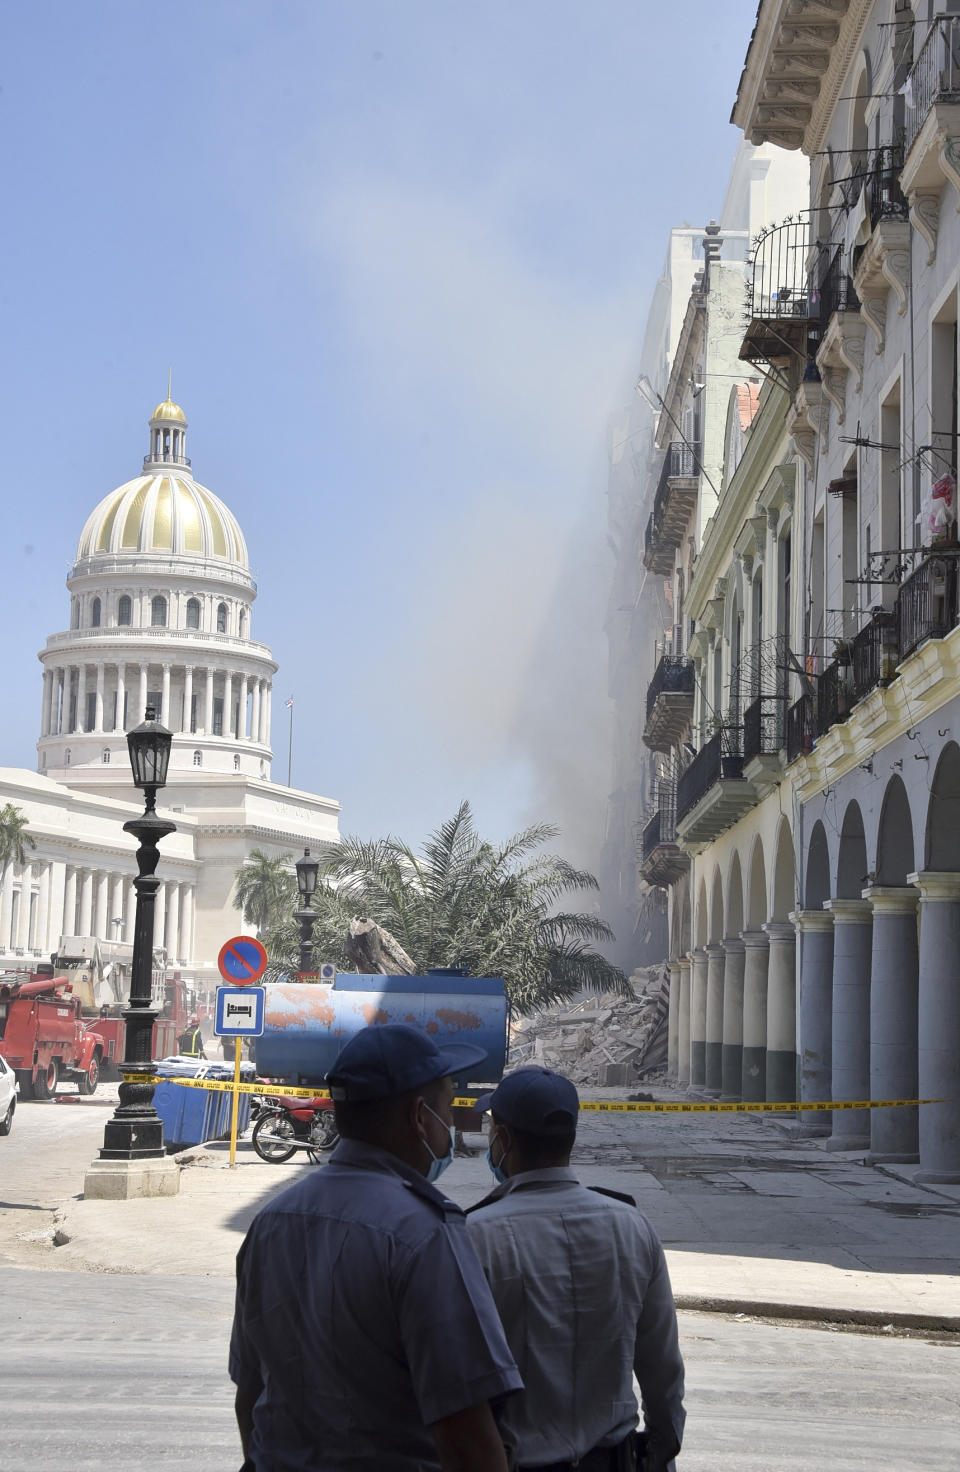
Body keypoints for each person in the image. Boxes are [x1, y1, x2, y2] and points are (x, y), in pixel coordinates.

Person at [229, 1023, 523, 1472]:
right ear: (420, 1116)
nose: (449, 1129)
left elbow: (250, 1393)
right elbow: (465, 1431)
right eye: (448, 1109)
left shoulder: (271, 1222)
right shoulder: (424, 1233)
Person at [466, 1067, 685, 1472]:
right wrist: (660, 1451)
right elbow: (662, 1368)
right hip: (613, 1459)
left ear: (504, 1139)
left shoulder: (476, 1235)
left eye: (491, 1128)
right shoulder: (631, 1226)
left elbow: (458, 1381)